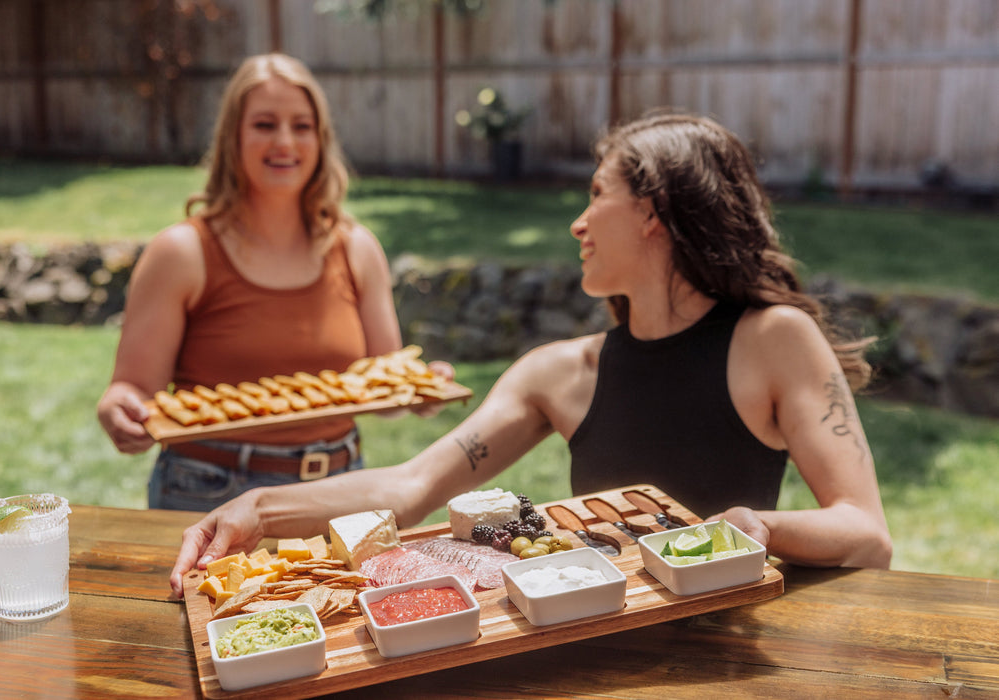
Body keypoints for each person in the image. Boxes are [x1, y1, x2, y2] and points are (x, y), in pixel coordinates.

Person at [169, 111, 893, 596]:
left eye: (596, 195)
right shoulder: (560, 373)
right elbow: (411, 487)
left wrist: (761, 527)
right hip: (591, 647)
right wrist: (258, 510)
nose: (578, 223)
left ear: (653, 212)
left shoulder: (773, 341)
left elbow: (865, 534)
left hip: (727, 651)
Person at [97, 53, 448, 511]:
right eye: (264, 124)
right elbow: (134, 387)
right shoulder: (181, 253)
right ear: (233, 138)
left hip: (338, 486)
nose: (285, 141)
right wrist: (119, 408)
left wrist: (420, 388)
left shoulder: (357, 248)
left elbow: (386, 394)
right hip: (209, 488)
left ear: (320, 139)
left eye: (301, 126)